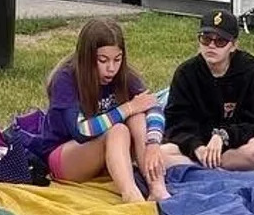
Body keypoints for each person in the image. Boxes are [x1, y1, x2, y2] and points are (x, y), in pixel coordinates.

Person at [37, 17, 170, 202]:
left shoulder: (123, 74)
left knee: (138, 116)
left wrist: (154, 143)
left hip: (107, 152)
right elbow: (81, 131)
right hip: (65, 156)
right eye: (103, 60)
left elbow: (152, 105)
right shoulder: (65, 78)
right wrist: (127, 107)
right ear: (87, 57)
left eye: (117, 59)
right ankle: (131, 195)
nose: (111, 68)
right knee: (120, 128)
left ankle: (157, 187)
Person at [159, 11, 254, 174]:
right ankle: (221, 168)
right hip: (196, 147)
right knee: (159, 154)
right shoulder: (186, 73)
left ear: (234, 45)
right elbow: (176, 122)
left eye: (220, 41)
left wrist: (224, 136)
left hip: (235, 146)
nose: (211, 46)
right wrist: (196, 147)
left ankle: (205, 168)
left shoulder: (249, 70)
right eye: (206, 39)